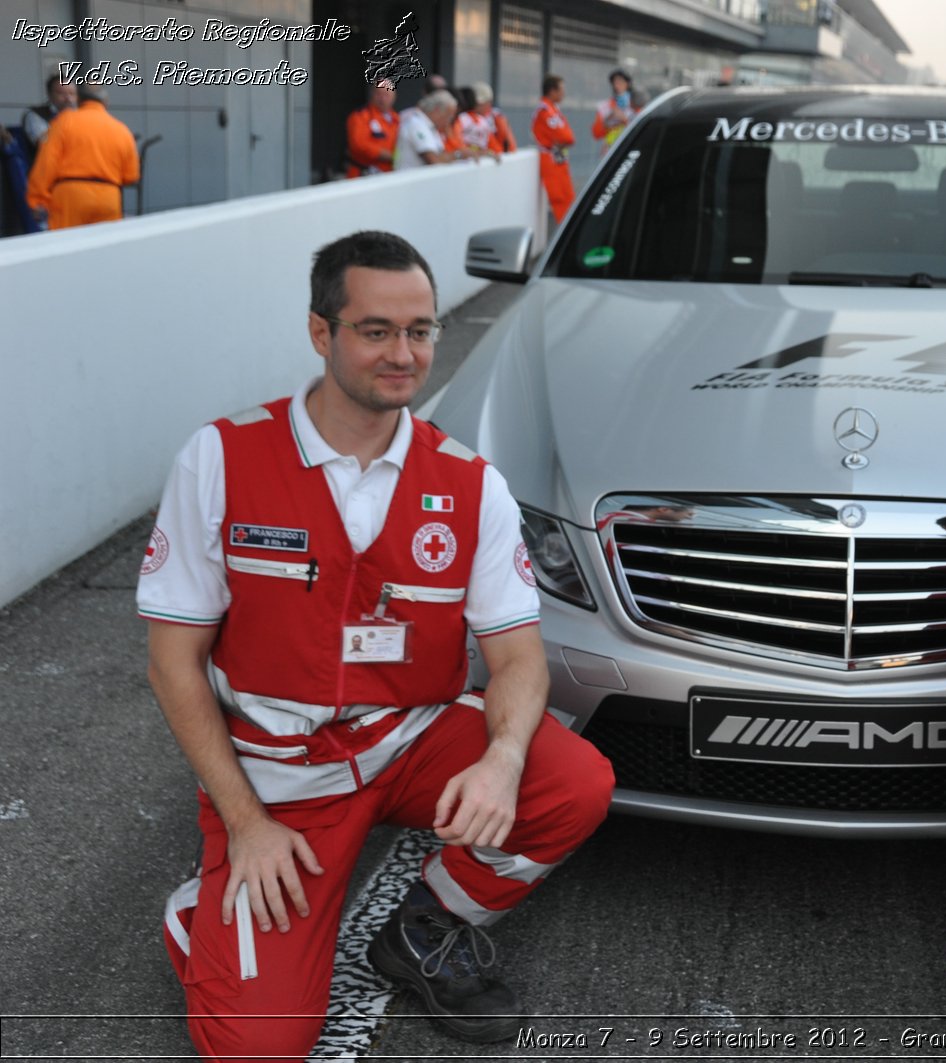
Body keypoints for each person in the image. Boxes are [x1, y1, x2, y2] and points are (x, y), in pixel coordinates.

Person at [138, 230, 614, 1061]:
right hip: (280, 776)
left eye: (421, 330)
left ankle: (425, 925)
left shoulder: (470, 482)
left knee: (572, 781)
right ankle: (203, 910)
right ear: (322, 333)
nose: (404, 354)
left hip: (409, 738)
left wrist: (501, 760)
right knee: (261, 1047)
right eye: (376, 330)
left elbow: (517, 657)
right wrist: (246, 822)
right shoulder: (221, 457)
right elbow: (172, 660)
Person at [24, 85, 138, 231]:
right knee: (104, 248)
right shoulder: (122, 130)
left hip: (71, 196)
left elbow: (47, 163)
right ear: (106, 102)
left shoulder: (63, 122)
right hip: (109, 197)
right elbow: (131, 176)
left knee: (66, 247)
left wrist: (36, 200)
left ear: (78, 100)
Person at [533, 74, 577, 222]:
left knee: (568, 198)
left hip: (558, 158)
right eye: (561, 90)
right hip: (550, 160)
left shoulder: (553, 109)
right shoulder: (545, 111)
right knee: (560, 199)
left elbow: (568, 136)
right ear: (552, 91)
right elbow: (566, 137)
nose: (563, 93)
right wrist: (565, 140)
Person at [344, 80, 400, 178]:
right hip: (363, 175)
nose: (382, 98)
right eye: (378, 94)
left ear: (394, 96)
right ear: (371, 95)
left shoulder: (398, 119)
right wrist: (384, 154)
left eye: (386, 94)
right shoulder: (360, 116)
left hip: (389, 175)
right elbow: (358, 145)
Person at [395, 90, 462, 169]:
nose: (449, 122)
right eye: (449, 116)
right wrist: (459, 155)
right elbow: (434, 160)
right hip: (409, 179)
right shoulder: (417, 124)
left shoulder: (430, 126)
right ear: (437, 110)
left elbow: (442, 154)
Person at [21, 74, 77, 157]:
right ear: (49, 94)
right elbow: (43, 143)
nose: (68, 98)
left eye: (72, 94)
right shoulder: (35, 115)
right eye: (61, 93)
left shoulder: (81, 114)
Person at [592, 68, 639, 156]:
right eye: (614, 82)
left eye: (620, 82)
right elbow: (596, 133)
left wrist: (625, 120)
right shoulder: (605, 106)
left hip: (630, 151)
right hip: (610, 154)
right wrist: (607, 120)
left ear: (628, 84)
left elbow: (641, 130)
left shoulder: (636, 105)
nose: (617, 85)